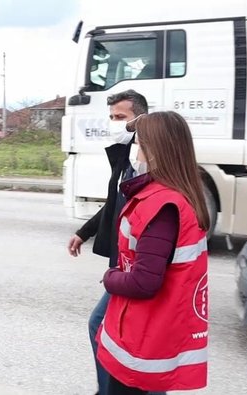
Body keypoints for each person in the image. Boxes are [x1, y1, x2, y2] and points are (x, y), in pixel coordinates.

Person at [96, 111, 209, 394]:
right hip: (147, 329)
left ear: (155, 149)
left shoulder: (161, 206)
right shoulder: (172, 195)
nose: (137, 150)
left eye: (141, 143)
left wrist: (110, 277)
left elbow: (144, 282)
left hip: (141, 336)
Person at [66, 90, 158, 395]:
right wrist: (84, 231)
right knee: (116, 333)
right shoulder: (126, 156)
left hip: (136, 269)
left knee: (102, 326)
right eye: (112, 118)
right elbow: (115, 202)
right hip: (124, 264)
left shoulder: (148, 159)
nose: (114, 124)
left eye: (121, 118)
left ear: (140, 119)